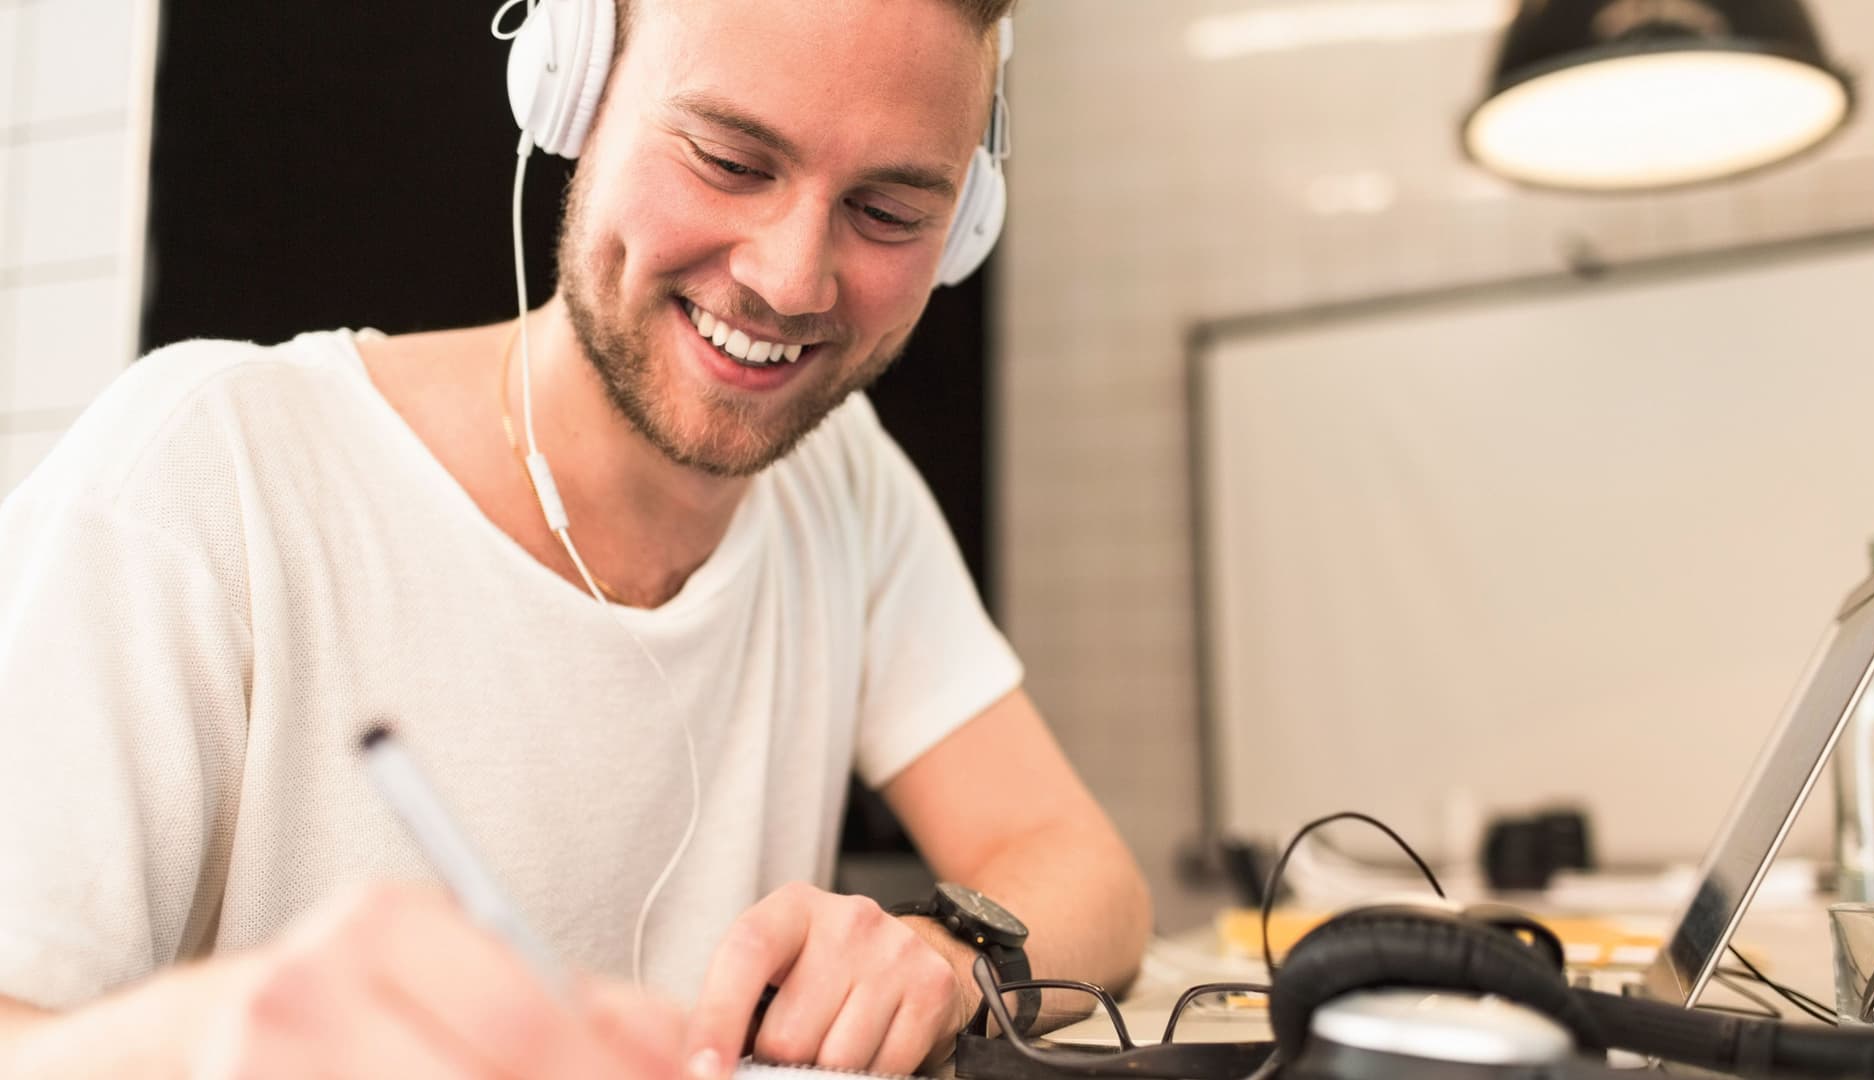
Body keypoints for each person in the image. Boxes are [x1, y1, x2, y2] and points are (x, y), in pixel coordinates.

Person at [0, 0, 1152, 1076]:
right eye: (729, 160)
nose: (792, 280)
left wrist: (942, 960)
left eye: (888, 214)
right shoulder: (205, 469)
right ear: (574, 82)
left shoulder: (843, 486)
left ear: (967, 222)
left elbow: (1086, 871)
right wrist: (208, 1040)